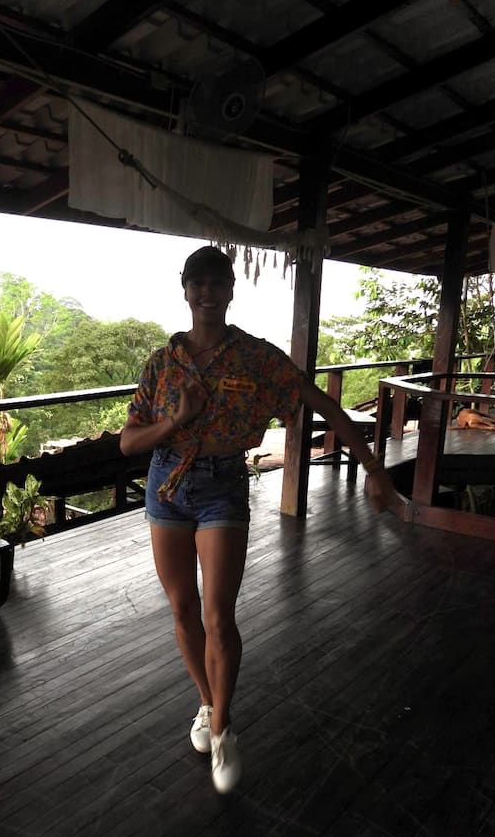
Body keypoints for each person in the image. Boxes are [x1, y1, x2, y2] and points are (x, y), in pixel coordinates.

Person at [119, 245, 397, 794]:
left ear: (230, 290)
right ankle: (206, 702)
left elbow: (322, 404)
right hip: (166, 484)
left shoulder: (256, 358)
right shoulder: (161, 363)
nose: (207, 292)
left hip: (222, 485)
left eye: (216, 283)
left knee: (219, 617)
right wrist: (177, 419)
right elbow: (129, 441)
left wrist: (373, 468)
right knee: (183, 609)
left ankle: (223, 727)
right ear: (184, 289)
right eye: (197, 283)